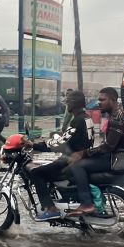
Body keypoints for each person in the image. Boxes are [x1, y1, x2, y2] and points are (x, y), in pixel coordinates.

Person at [67, 87, 124, 216]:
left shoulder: (117, 118)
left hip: (116, 159)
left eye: (102, 100)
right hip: (116, 156)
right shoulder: (116, 115)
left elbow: (108, 146)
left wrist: (83, 153)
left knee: (76, 166)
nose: (99, 102)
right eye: (99, 99)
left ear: (113, 100)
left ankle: (86, 204)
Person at [28, 90, 94, 221]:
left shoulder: (77, 121)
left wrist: (34, 145)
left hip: (72, 159)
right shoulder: (87, 118)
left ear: (74, 103)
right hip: (83, 156)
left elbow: (61, 142)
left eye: (68, 101)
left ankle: (50, 208)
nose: (66, 104)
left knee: (36, 172)